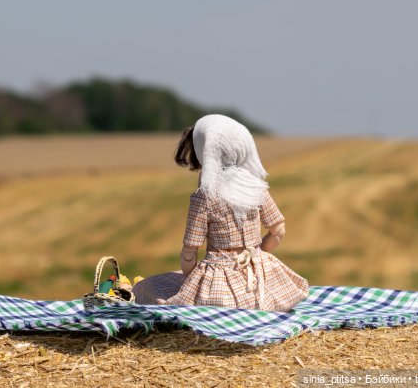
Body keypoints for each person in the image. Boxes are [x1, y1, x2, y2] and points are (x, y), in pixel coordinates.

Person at [132, 114, 309, 311]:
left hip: (220, 285)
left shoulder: (205, 197)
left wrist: (190, 282)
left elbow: (189, 253)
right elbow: (278, 230)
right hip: (261, 278)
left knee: (149, 286)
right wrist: (257, 256)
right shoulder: (256, 186)